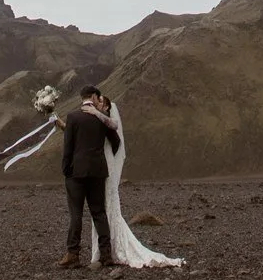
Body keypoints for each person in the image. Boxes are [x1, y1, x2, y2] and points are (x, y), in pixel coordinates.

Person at [81, 94, 184, 269]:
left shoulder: (107, 123)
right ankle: (104, 250)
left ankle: (109, 250)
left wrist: (95, 113)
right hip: (100, 168)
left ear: (106, 107)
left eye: (100, 102)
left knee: (106, 207)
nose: (96, 104)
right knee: (102, 208)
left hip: (105, 168)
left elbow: (113, 135)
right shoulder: (99, 123)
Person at [58, 86, 121, 268]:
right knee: (99, 212)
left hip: (76, 172)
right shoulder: (102, 118)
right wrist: (104, 159)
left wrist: (66, 169)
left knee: (76, 214)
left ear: (82, 97)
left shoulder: (73, 117)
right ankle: (106, 254)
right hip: (97, 171)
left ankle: (73, 254)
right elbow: (115, 141)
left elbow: (68, 146)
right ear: (93, 96)